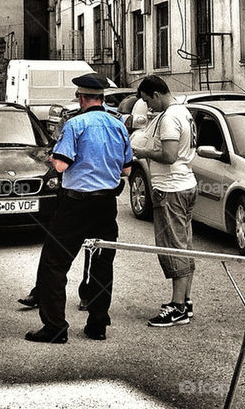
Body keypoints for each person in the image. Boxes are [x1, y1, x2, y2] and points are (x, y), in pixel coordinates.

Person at [24, 72, 132, 343]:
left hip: (75, 204)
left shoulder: (75, 124)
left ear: (81, 98)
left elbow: (60, 165)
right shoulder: (118, 125)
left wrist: (48, 158)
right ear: (102, 98)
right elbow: (127, 169)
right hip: (106, 204)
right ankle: (97, 325)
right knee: (101, 264)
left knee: (54, 264)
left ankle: (55, 328)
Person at [131, 75, 197, 327]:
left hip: (171, 189)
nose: (148, 107)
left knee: (172, 248)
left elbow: (169, 155)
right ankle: (185, 301)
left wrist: (142, 152)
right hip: (185, 184)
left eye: (148, 101)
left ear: (157, 95)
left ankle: (177, 307)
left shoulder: (169, 117)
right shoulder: (184, 112)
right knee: (184, 245)